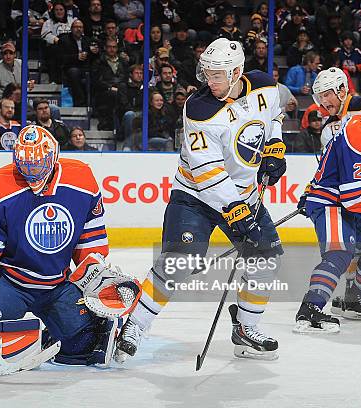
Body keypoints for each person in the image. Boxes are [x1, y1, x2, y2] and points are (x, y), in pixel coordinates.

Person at [114, 38, 286, 363]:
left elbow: (273, 117)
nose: (210, 80)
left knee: (267, 262)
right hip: (195, 196)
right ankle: (135, 325)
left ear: (236, 72)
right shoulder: (198, 108)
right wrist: (235, 209)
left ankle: (246, 330)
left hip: (245, 195)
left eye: (217, 75)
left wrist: (275, 147)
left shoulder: (264, 86)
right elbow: (207, 171)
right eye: (207, 73)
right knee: (179, 263)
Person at [0, 125, 140, 366]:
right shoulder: (1, 182)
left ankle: (49, 338)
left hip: (57, 285)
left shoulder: (82, 179)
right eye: (25, 164)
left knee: (84, 345)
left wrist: (93, 271)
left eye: (37, 164)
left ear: (53, 157)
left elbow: (90, 240)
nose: (31, 171)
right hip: (11, 283)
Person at [294, 91, 361, 332]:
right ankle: (310, 310)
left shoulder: (359, 128)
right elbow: (353, 197)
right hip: (331, 204)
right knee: (339, 254)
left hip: (341, 204)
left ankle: (356, 299)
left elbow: (334, 166)